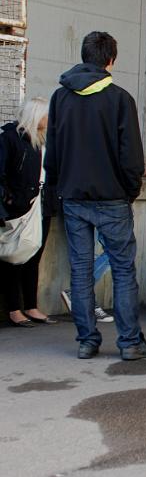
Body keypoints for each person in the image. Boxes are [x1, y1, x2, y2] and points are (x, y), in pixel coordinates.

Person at [45, 31, 146, 360]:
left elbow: (53, 153)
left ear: (83, 55)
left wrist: (57, 189)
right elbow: (132, 157)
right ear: (111, 60)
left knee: (80, 270)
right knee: (122, 270)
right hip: (113, 199)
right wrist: (129, 191)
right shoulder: (120, 99)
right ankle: (130, 342)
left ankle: (87, 341)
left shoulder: (60, 98)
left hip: (74, 198)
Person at [0, 97, 58, 327]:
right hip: (19, 208)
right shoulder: (11, 138)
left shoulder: (45, 141)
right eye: (46, 114)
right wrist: (10, 199)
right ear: (36, 115)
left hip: (42, 207)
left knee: (34, 256)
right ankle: (14, 310)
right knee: (13, 257)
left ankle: (31, 306)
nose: (50, 119)